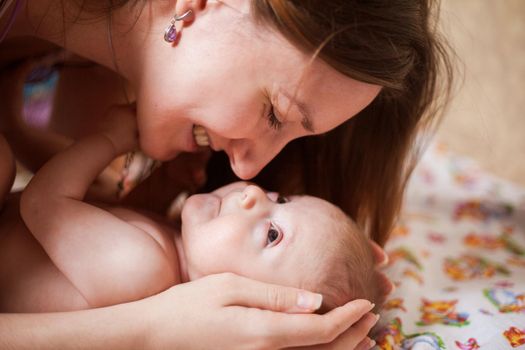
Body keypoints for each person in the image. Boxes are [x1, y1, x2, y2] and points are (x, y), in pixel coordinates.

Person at [0, 0, 452, 348]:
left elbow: (82, 211)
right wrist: (147, 332)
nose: (250, 174)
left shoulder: (90, 74)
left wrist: (333, 255)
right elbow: (48, 205)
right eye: (276, 114)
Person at [1, 104, 391, 319]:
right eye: (280, 198)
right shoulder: (170, 259)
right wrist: (165, 187)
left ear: (250, 305)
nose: (254, 194)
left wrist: (108, 140)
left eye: (272, 234)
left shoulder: (143, 269)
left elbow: (45, 205)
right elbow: (104, 221)